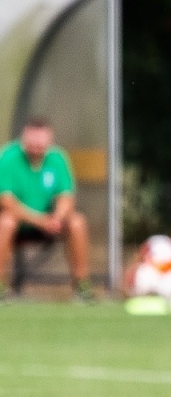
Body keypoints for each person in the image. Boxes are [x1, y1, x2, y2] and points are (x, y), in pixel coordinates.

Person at [0, 117, 93, 302]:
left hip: (49, 225)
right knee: (5, 222)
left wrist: (57, 218)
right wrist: (40, 221)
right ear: (23, 139)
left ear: (49, 141)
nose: (36, 147)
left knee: (77, 222)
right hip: (20, 225)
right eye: (32, 143)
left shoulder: (57, 159)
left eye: (41, 144)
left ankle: (82, 286)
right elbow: (7, 202)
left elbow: (66, 196)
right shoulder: (8, 157)